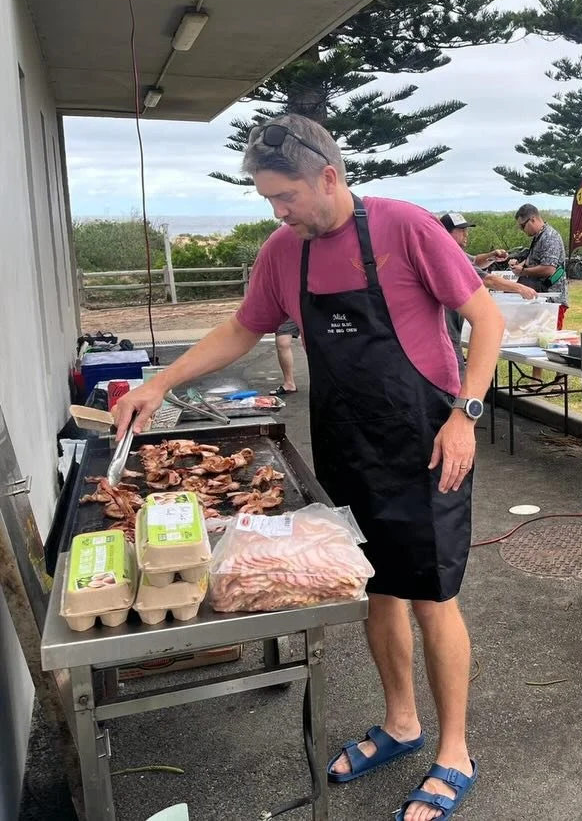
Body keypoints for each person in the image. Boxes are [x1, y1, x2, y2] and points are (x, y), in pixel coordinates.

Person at [112, 114, 503, 821]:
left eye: (286, 196)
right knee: (373, 587)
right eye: (268, 200)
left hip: (426, 439)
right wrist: (160, 383)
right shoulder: (282, 252)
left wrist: (465, 415)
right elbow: (242, 327)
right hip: (347, 441)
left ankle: (454, 750)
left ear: (329, 176)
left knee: (431, 595)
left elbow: (487, 317)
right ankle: (401, 722)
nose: (279, 212)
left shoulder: (406, 227)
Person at [441, 212, 536, 377]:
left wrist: (492, 256)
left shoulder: (452, 251)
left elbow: (475, 261)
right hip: (445, 328)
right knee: (455, 376)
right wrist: (520, 288)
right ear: (447, 232)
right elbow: (487, 279)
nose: (466, 234)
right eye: (461, 230)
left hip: (449, 326)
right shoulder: (448, 254)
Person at [509, 203, 568, 305]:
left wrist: (522, 271)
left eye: (523, 226)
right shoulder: (539, 236)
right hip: (541, 298)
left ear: (532, 219)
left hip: (552, 300)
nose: (522, 230)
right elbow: (534, 260)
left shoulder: (550, 236)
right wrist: (519, 265)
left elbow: (548, 269)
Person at [272, 318, 300, 396]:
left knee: (320, 342)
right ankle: (289, 384)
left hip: (315, 308)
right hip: (289, 310)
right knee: (282, 342)